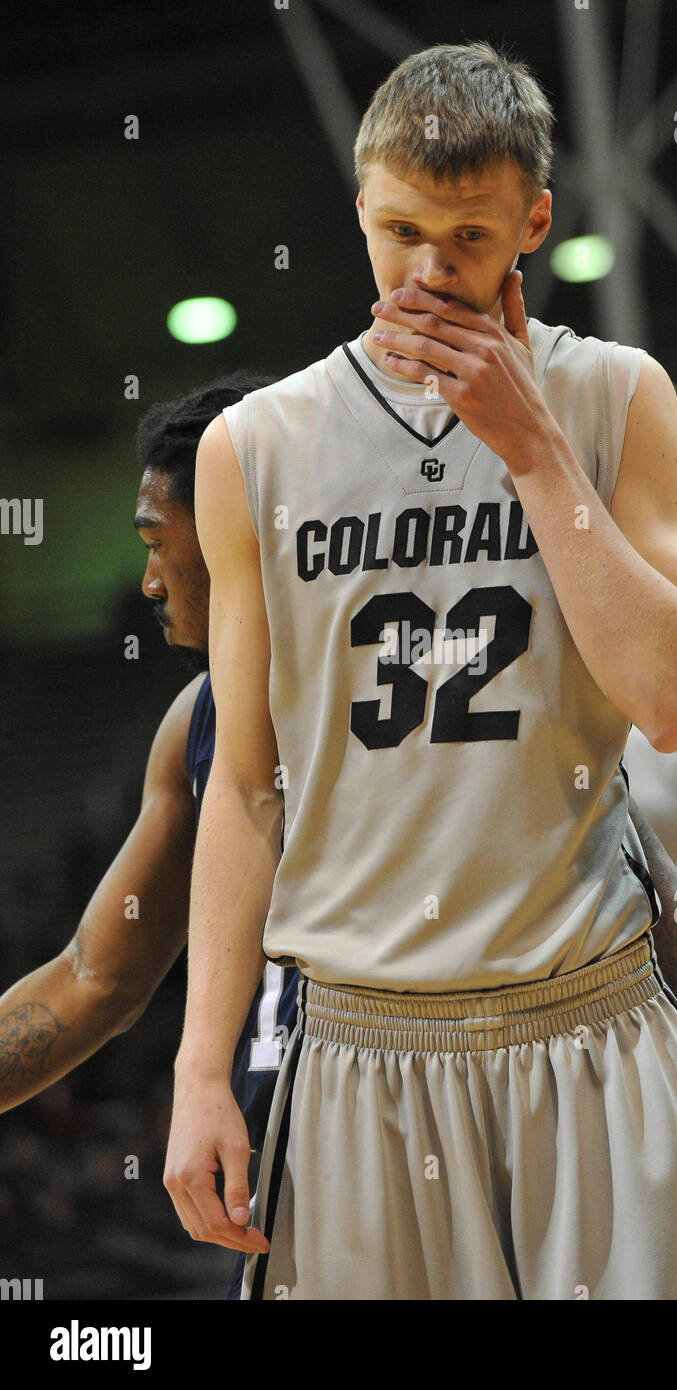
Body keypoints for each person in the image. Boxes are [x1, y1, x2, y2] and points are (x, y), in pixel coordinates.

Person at [164, 41, 677, 1299]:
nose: (429, 272)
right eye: (399, 230)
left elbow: (676, 705)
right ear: (358, 211)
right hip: (357, 1048)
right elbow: (242, 790)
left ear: (533, 224)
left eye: (466, 235)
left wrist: (533, 452)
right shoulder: (253, 447)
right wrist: (196, 1077)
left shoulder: (617, 394)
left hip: (597, 1024)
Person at [0, 373, 298, 1297]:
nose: (146, 580)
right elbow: (96, 977)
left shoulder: (407, 695)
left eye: (156, 543)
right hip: (287, 1166)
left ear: (231, 535)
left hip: (449, 1109)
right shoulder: (194, 723)